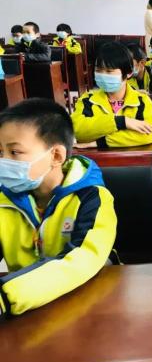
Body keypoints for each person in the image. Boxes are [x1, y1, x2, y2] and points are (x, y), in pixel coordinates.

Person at [0, 99, 117, 317]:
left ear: (56, 156)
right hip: (26, 311)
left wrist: (6, 297)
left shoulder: (92, 197)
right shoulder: (3, 199)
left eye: (14, 152)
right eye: (0, 153)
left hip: (87, 305)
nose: (4, 161)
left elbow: (83, 258)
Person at [71, 42, 152, 148]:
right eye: (98, 70)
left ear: (128, 73)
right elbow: (77, 130)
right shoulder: (87, 100)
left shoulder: (142, 102)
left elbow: (148, 135)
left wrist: (98, 143)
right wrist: (121, 122)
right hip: (94, 158)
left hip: (131, 158)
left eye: (109, 71)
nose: (102, 75)